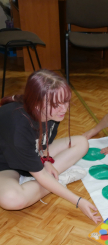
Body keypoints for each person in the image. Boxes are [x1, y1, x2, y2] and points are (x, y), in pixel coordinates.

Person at [0, 69, 101, 224]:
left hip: (31, 155)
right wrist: (79, 201)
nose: (64, 109)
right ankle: (54, 182)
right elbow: (31, 148)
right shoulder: (20, 127)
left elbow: (43, 143)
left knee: (82, 142)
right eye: (56, 104)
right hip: (6, 165)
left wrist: (46, 161)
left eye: (66, 101)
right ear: (37, 102)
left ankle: (49, 182)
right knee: (12, 200)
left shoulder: (52, 113)